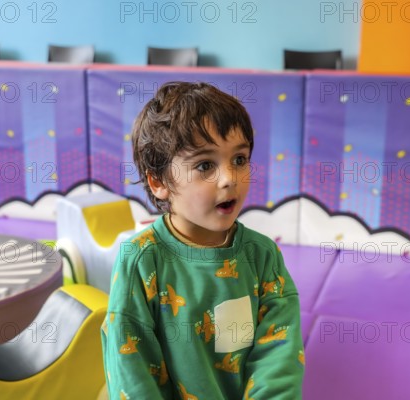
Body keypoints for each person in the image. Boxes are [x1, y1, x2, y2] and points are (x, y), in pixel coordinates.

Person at [101, 81, 304, 399]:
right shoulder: (141, 260)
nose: (229, 179)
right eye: (205, 165)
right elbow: (131, 367)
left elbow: (279, 356)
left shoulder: (262, 257)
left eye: (239, 159)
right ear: (158, 182)